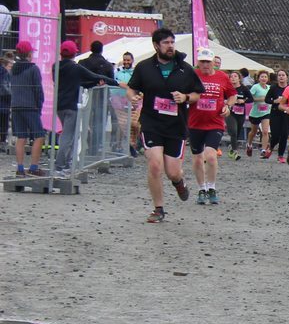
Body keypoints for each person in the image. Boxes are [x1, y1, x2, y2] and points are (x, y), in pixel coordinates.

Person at [126, 28, 200, 222]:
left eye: (172, 42)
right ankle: (158, 209)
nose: (170, 46)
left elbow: (197, 94)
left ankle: (179, 182)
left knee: (173, 172)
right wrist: (133, 97)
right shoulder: (144, 67)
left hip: (176, 126)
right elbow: (132, 89)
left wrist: (185, 97)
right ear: (156, 45)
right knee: (154, 165)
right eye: (166, 43)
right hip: (151, 123)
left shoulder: (185, 69)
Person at [53, 40, 119, 175]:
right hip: (72, 105)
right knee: (68, 136)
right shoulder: (76, 68)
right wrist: (116, 83)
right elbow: (94, 77)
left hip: (59, 105)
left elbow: (76, 82)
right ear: (74, 53)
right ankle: (60, 165)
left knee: (70, 134)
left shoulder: (56, 66)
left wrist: (91, 83)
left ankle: (68, 163)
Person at [188, 47, 233, 204]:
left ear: (213, 62)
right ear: (198, 62)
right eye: (202, 62)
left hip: (215, 123)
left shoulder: (222, 77)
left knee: (211, 156)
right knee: (197, 158)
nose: (205, 65)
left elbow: (232, 95)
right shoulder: (192, 75)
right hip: (195, 123)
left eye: (208, 62)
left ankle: (212, 187)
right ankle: (202, 189)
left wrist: (228, 106)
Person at [9, 41, 45, 176]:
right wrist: (39, 105)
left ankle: (20, 169)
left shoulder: (13, 69)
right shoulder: (33, 69)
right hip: (30, 106)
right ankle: (34, 167)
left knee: (21, 137)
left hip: (16, 106)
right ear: (29, 53)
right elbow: (38, 90)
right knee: (39, 136)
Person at [265, 69, 289, 161]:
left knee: (284, 135)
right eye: (279, 75)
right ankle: (271, 147)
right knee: (275, 135)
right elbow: (267, 99)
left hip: (286, 114)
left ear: (287, 77)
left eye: (283, 75)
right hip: (275, 113)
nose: (281, 77)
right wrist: (274, 101)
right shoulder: (273, 88)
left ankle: (280, 155)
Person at [247, 70, 273, 158]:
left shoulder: (270, 88)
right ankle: (249, 144)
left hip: (266, 112)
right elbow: (249, 98)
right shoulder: (255, 87)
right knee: (253, 132)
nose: (264, 78)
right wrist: (260, 99)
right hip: (255, 113)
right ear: (258, 78)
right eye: (262, 77)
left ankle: (263, 150)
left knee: (265, 131)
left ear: (268, 79)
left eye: (265, 77)